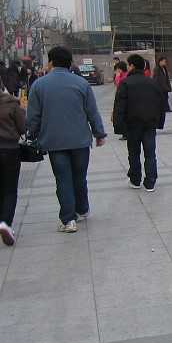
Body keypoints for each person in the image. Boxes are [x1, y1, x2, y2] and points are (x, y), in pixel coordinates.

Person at [26, 46, 107, 233]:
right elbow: (91, 112)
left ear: (51, 62)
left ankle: (68, 219)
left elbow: (33, 117)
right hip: (80, 140)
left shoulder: (39, 85)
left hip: (54, 142)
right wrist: (99, 134)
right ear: (70, 62)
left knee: (63, 179)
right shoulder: (81, 84)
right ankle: (82, 209)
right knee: (80, 177)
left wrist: (34, 134)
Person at [0, 65, 26, 245]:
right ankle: (6, 223)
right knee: (10, 189)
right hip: (9, 150)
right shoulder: (10, 102)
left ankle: (2, 222)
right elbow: (22, 128)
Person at [113, 54, 165, 191]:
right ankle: (150, 182)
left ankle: (135, 180)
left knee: (134, 153)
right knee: (150, 153)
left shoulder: (126, 83)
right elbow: (161, 105)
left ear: (132, 66)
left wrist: (118, 126)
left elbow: (119, 106)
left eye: (128, 65)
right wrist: (160, 122)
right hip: (150, 124)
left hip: (132, 124)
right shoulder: (153, 83)